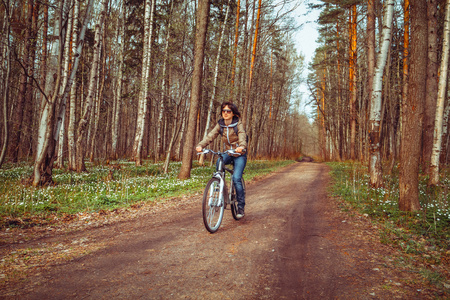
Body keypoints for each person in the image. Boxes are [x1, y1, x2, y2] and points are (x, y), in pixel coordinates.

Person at [196, 102, 247, 218]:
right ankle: (220, 186)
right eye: (223, 111)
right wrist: (200, 145)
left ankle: (240, 207)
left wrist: (242, 147)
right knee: (219, 161)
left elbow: (242, 135)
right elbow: (210, 136)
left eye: (228, 111)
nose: (225, 113)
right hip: (229, 152)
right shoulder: (220, 124)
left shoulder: (237, 124)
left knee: (236, 178)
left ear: (233, 113)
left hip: (240, 154)